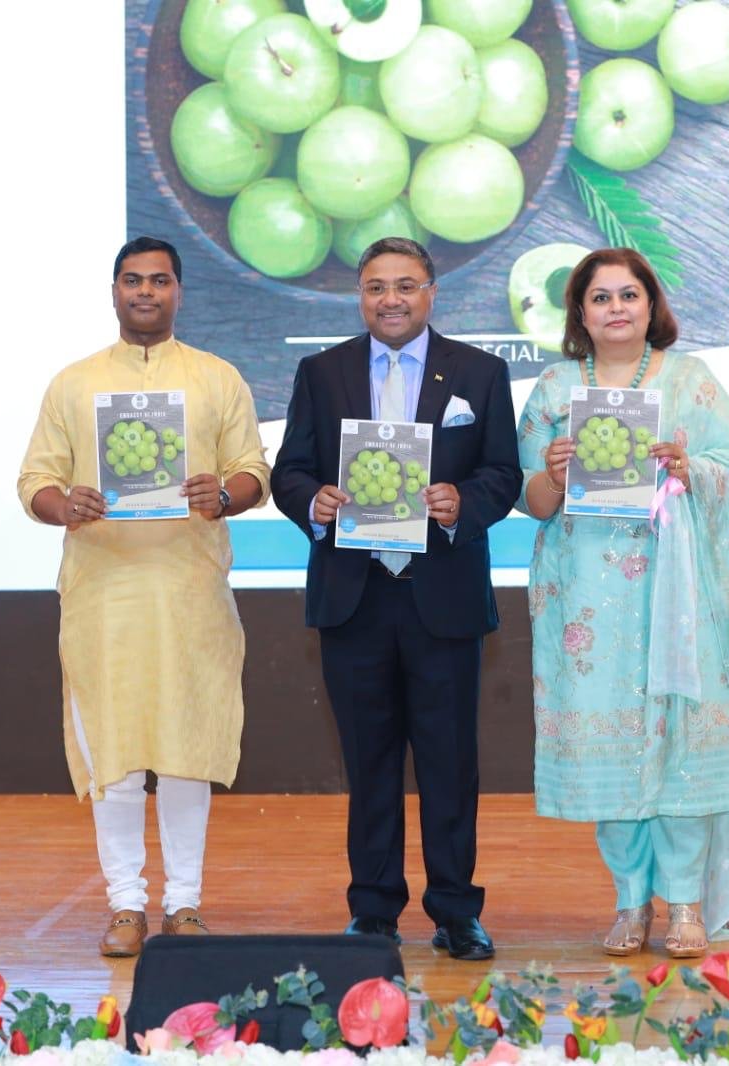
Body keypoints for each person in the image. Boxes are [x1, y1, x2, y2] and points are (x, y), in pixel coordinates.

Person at [515, 248, 729, 958]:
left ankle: (686, 903)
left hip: (680, 593)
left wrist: (694, 470)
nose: (616, 308)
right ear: (579, 312)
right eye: (600, 297)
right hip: (586, 602)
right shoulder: (556, 387)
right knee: (616, 749)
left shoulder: (691, 381)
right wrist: (554, 473)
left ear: (651, 304)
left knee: (681, 744)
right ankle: (631, 902)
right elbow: (529, 501)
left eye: (628, 294)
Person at [17, 237, 271, 957]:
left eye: (159, 281)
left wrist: (223, 495)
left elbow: (253, 470)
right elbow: (34, 480)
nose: (146, 293)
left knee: (187, 752)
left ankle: (184, 903)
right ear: (114, 291)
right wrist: (64, 505)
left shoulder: (216, 377)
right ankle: (125, 904)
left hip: (190, 593)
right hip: (105, 596)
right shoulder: (75, 384)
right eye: (133, 280)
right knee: (118, 756)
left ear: (179, 292)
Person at [271, 237, 522, 961]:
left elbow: (503, 474)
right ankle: (374, 910)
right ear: (360, 296)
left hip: (442, 596)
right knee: (370, 763)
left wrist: (462, 502)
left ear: (431, 293)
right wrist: (313, 501)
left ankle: (456, 911)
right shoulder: (322, 372)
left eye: (406, 285)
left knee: (450, 764)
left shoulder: (479, 372)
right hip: (354, 598)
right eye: (376, 286)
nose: (391, 299)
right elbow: (289, 470)